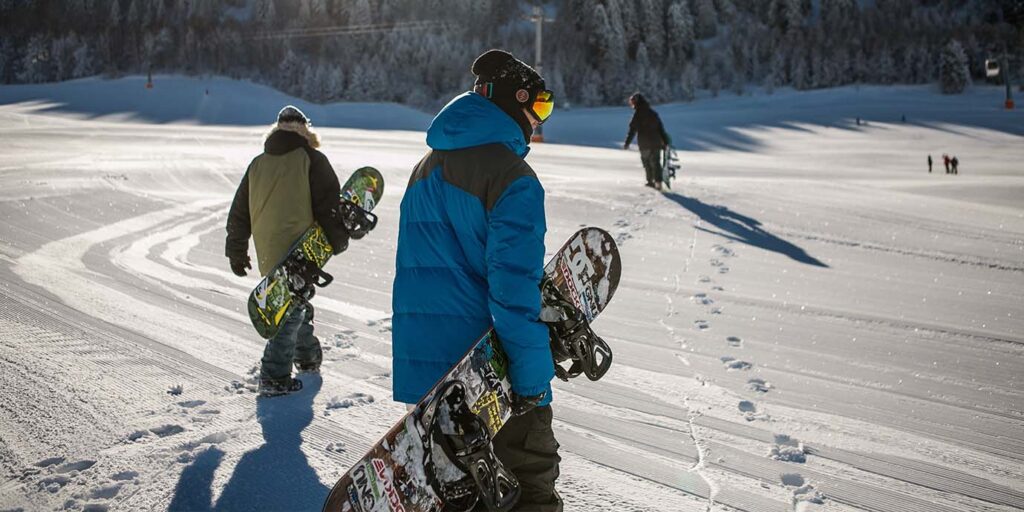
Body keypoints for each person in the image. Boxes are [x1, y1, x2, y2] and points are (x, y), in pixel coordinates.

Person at [392, 49, 561, 511]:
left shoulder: (424, 167)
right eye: (540, 107)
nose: (539, 120)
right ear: (514, 102)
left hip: (426, 377)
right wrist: (531, 383)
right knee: (529, 490)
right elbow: (513, 291)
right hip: (487, 377)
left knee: (457, 499)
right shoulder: (513, 178)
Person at [225, 105, 350, 397]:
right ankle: (273, 375)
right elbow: (328, 207)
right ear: (306, 130)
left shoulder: (257, 163)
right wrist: (338, 239)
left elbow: (239, 212)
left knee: (295, 302)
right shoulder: (312, 159)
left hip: (268, 249)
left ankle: (307, 358)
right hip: (301, 249)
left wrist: (237, 249)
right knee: (289, 311)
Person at [624, 92, 670, 190]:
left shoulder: (637, 115)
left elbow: (632, 130)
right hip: (656, 143)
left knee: (647, 163)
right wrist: (665, 142)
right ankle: (658, 182)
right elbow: (661, 129)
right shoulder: (653, 114)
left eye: (632, 102)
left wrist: (627, 143)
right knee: (656, 162)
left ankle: (650, 181)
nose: (632, 104)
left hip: (644, 144)